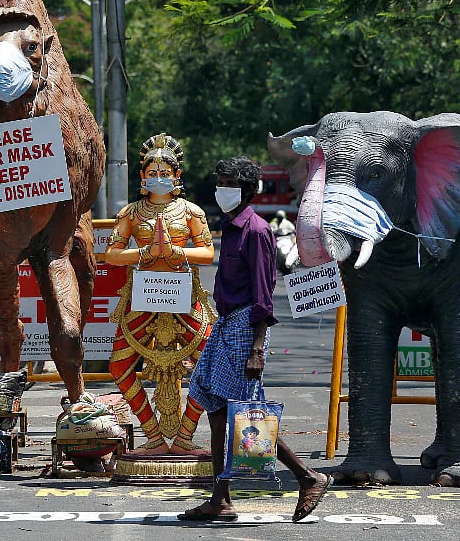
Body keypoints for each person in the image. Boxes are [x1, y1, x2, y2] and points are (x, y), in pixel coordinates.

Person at [178, 156, 331, 522]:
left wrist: (257, 349)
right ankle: (220, 499)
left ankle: (307, 476)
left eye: (229, 183)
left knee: (246, 415)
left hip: (246, 327)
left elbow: (264, 294)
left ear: (247, 190)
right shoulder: (230, 226)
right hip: (226, 324)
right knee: (213, 406)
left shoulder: (257, 231)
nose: (221, 190)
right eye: (220, 182)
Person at [106, 133, 217, 455]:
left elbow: (207, 253)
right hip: (142, 297)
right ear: (142, 177)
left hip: (183, 296)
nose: (158, 179)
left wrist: (176, 253)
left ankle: (185, 435)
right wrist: (144, 253)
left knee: (209, 363)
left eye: (164, 173)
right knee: (119, 367)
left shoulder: (191, 212)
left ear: (176, 176)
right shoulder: (131, 213)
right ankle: (152, 436)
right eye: (152, 173)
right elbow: (112, 255)